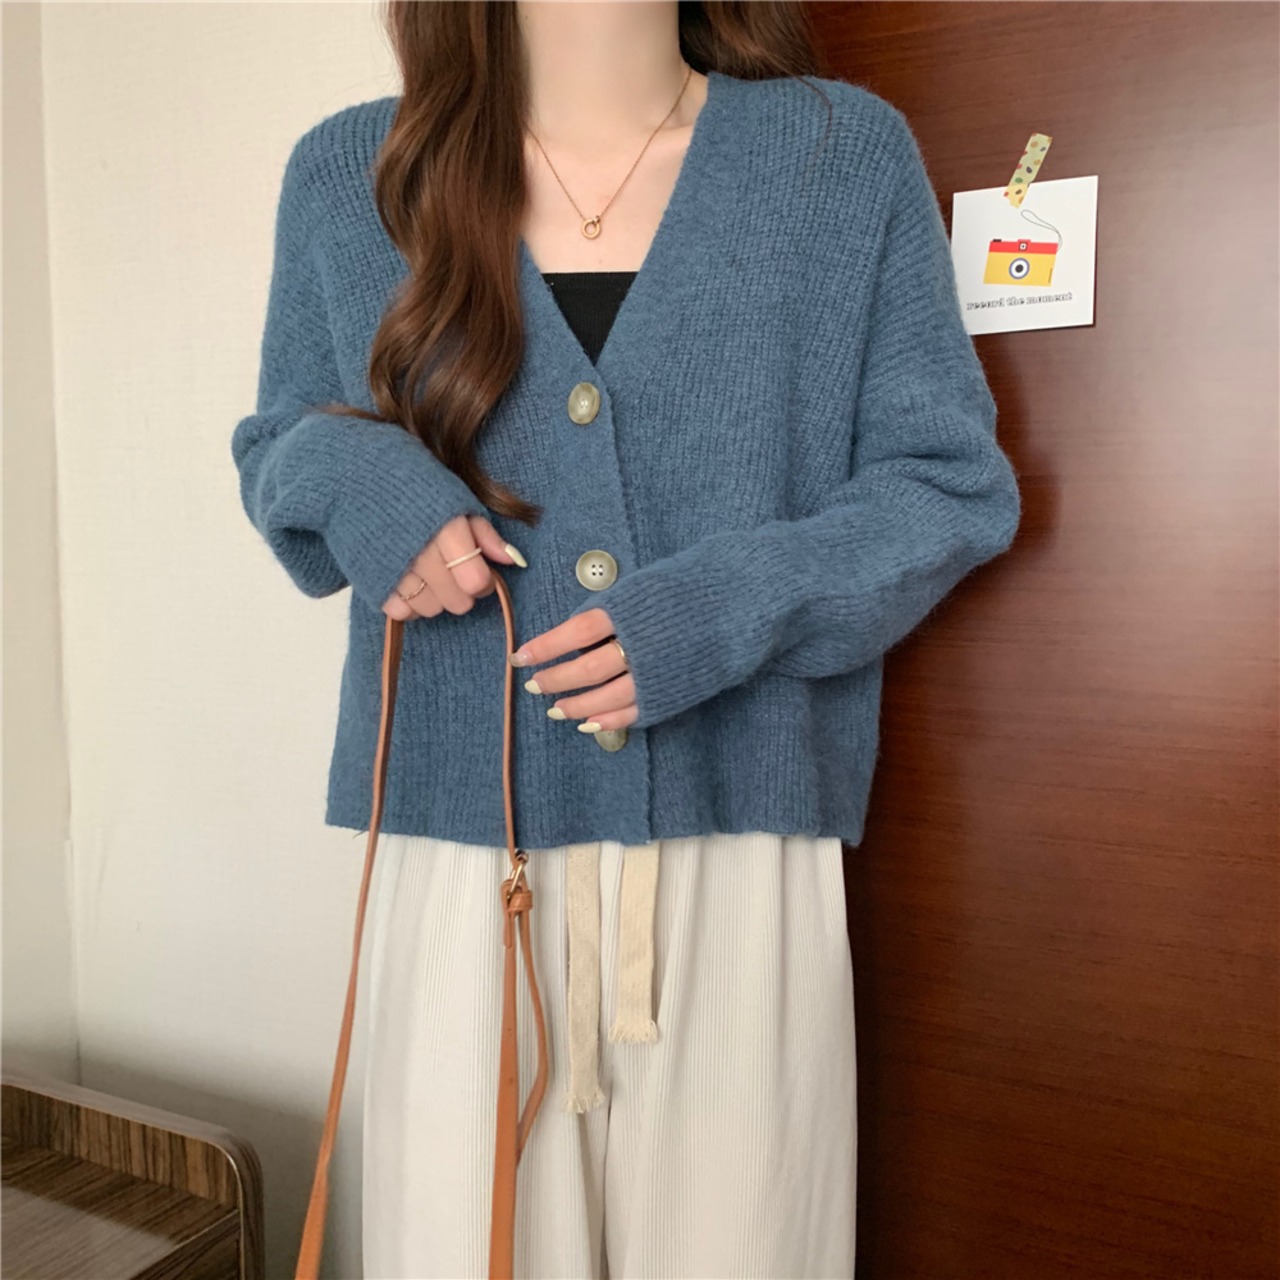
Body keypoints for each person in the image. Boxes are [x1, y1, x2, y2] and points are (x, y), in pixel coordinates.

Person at [230, 1, 1022, 1276]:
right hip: (461, 852)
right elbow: (278, 444)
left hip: (735, 846)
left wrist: (722, 607)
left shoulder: (837, 155)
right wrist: (359, 476)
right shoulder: (353, 172)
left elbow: (944, 486)